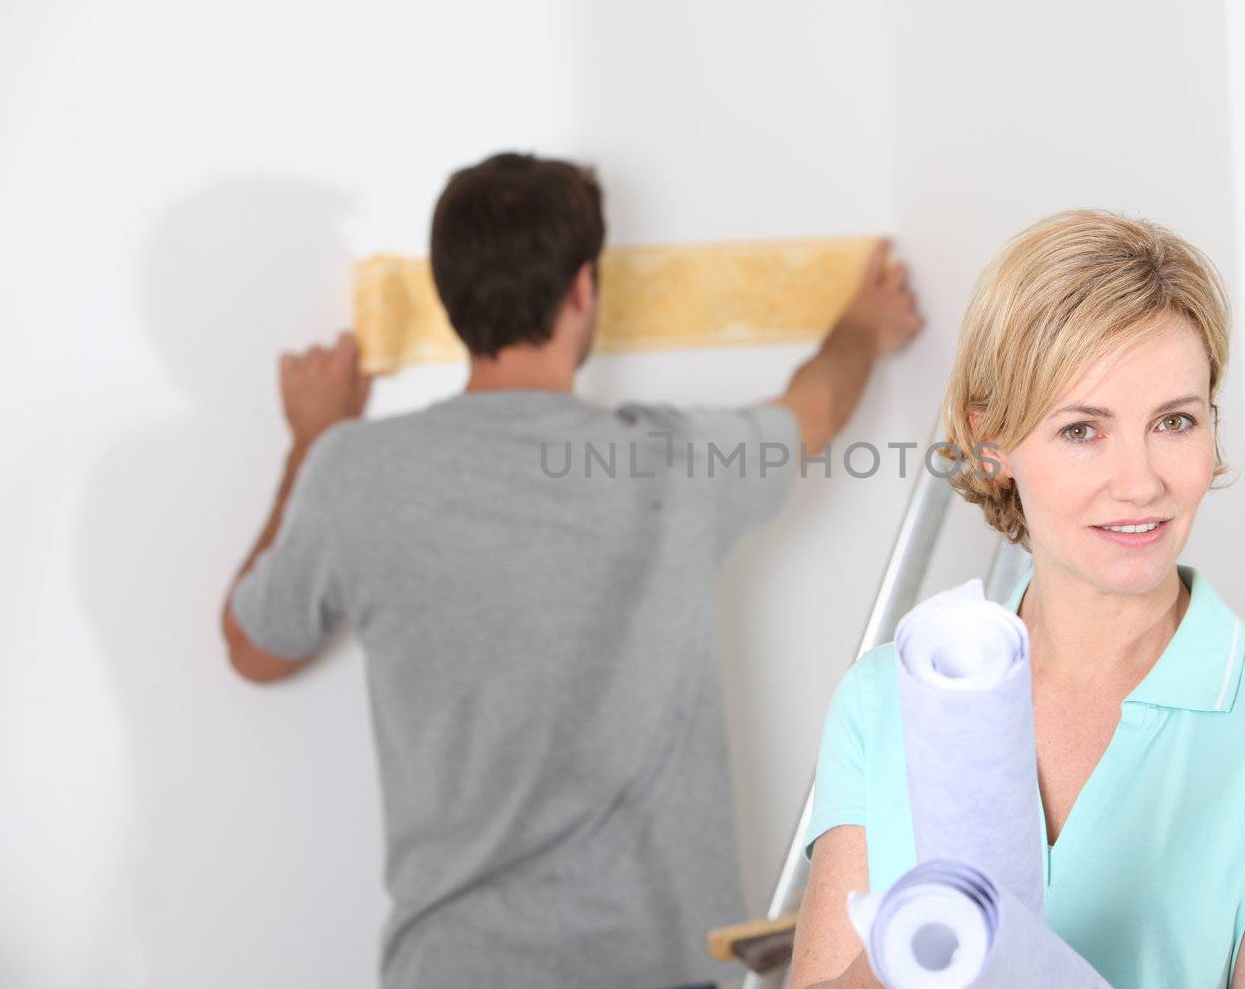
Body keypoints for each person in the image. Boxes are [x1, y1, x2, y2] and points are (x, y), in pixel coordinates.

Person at [219, 152, 923, 989]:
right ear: (582, 289)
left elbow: (256, 647)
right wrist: (864, 327)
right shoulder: (673, 462)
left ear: (451, 296)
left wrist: (309, 438)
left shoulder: (354, 472)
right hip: (655, 965)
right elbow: (819, 408)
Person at [789, 210, 1245, 988]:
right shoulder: (887, 699)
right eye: (1083, 430)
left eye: (1174, 421)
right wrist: (939, 934)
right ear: (991, 439)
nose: (1141, 481)